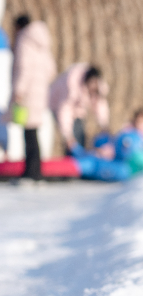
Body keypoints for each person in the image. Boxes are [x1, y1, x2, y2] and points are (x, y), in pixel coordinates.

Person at [10, 13, 56, 181]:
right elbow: (51, 70)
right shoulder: (42, 43)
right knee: (33, 132)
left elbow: (24, 68)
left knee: (28, 133)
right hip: (40, 92)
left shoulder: (24, 40)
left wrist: (19, 90)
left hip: (29, 93)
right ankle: (36, 171)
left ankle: (31, 172)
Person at [49, 62, 110, 154]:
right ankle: (70, 162)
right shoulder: (70, 86)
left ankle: (79, 158)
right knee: (72, 141)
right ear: (86, 81)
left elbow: (100, 105)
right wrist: (68, 136)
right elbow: (65, 111)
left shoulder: (95, 88)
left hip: (77, 111)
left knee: (80, 135)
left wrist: (104, 125)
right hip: (54, 105)